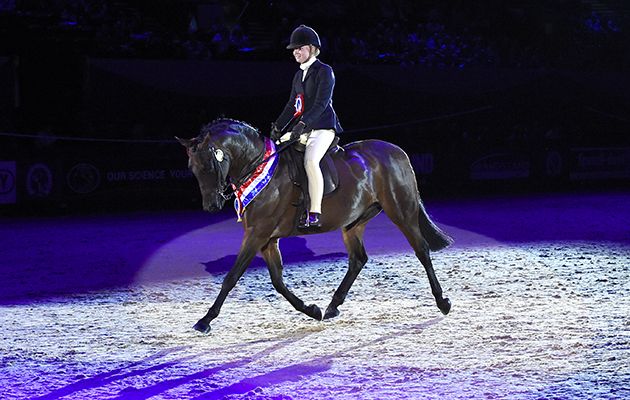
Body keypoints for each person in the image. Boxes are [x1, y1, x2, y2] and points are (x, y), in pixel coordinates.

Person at [271, 24, 343, 228]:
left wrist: (302, 124)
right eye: (294, 49)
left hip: (323, 128)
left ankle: (315, 211)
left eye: (299, 48)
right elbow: (291, 105)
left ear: (311, 49)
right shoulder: (298, 75)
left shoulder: (324, 71)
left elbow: (321, 104)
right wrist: (278, 126)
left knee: (310, 161)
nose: (295, 52)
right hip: (303, 128)